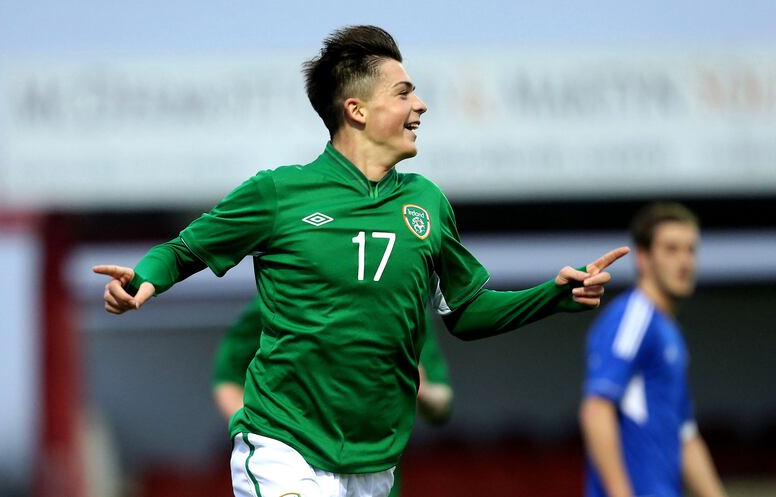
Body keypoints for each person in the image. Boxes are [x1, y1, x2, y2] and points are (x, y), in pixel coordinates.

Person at [94, 25, 627, 497]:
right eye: (404, 92)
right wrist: (142, 280)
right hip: (283, 446)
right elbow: (185, 250)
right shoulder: (280, 192)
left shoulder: (427, 202)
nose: (420, 105)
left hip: (375, 463)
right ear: (357, 109)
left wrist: (552, 296)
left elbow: (464, 312)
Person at [212, 296, 454, 497]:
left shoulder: (408, 305)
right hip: (293, 461)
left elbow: (441, 405)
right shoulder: (291, 290)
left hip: (371, 475)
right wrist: (266, 431)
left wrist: (422, 390)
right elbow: (227, 378)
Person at [580, 202, 727, 497]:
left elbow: (686, 436)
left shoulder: (670, 332)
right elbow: (596, 409)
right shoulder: (633, 317)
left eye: (691, 250)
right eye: (671, 249)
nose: (685, 262)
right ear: (643, 258)